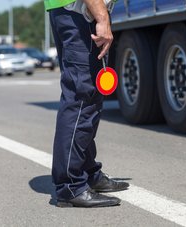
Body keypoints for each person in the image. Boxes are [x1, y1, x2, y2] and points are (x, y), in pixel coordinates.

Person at [44, 0, 129, 208]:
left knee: (88, 99)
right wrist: (101, 16)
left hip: (74, 11)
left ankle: (87, 172)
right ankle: (71, 185)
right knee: (81, 98)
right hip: (81, 13)